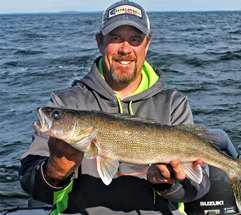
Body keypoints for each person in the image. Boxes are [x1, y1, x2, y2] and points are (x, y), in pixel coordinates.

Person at [19, 0, 210, 214]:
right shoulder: (65, 102)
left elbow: (198, 187)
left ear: (147, 43)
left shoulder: (174, 104)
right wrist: (55, 170)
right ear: (100, 42)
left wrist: (166, 183)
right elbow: (31, 186)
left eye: (135, 39)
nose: (125, 48)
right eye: (115, 38)